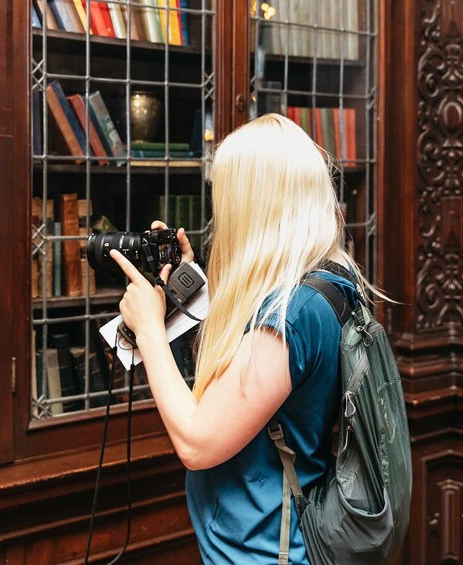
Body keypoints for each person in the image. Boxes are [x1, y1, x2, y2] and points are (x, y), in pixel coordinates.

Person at [109, 113, 374, 564]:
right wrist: (195, 295)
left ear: (252, 204)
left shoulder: (292, 313)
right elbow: (251, 378)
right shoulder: (325, 281)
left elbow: (197, 442)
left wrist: (151, 330)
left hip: (263, 552)